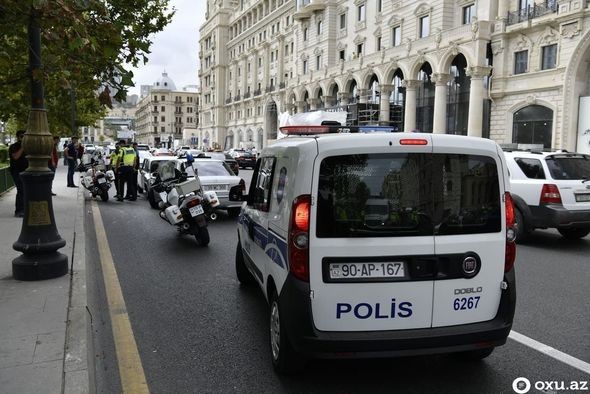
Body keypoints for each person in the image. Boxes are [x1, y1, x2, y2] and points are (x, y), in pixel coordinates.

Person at [9, 130, 28, 217]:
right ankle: (19, 211)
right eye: (21, 136)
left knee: (25, 190)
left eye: (25, 136)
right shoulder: (14, 146)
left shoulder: (28, 146)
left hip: (26, 171)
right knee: (21, 190)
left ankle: (24, 209)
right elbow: (16, 157)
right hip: (17, 171)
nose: (23, 138)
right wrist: (23, 147)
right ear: (17, 137)